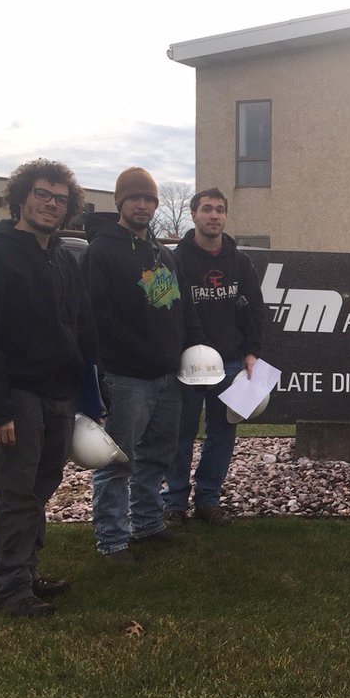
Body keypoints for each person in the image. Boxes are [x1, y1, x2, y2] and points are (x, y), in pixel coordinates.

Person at [0, 159, 99, 616]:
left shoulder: (62, 257)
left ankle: (26, 572)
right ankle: (9, 589)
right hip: (17, 393)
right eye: (42, 194)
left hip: (59, 392)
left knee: (42, 486)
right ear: (21, 196)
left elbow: (81, 326)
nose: (51, 205)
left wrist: (88, 390)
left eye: (60, 199)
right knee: (14, 490)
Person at [83, 167, 202, 563]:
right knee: (118, 459)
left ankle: (148, 524)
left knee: (156, 455)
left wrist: (182, 351)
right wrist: (138, 354)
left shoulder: (162, 253)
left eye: (149, 199)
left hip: (168, 376)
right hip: (127, 376)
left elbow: (179, 310)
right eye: (136, 198)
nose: (143, 205)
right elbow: (99, 318)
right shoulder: (101, 251)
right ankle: (112, 540)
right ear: (120, 202)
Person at [163, 188, 265, 527]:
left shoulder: (239, 261)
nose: (214, 215)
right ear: (193, 214)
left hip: (231, 362)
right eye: (207, 209)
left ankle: (208, 499)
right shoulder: (175, 261)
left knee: (222, 434)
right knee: (182, 432)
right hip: (188, 364)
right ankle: (174, 503)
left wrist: (252, 352)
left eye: (220, 210)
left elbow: (253, 310)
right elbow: (168, 312)